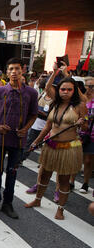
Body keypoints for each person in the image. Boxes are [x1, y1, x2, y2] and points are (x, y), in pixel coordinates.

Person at [0, 57, 38, 219]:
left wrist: (26, 129)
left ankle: (8, 203)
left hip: (19, 140)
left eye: (17, 69)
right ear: (7, 72)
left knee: (12, 172)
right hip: (0, 139)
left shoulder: (31, 93)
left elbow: (34, 114)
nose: (14, 72)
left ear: (23, 71)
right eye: (11, 69)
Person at [24, 77, 86, 220]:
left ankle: (61, 210)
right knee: (44, 174)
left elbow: (86, 127)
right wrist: (35, 141)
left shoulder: (79, 106)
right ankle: (38, 200)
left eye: (69, 89)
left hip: (69, 148)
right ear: (59, 91)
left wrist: (81, 123)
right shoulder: (55, 104)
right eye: (63, 89)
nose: (65, 92)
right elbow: (47, 127)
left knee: (64, 180)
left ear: (74, 91)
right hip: (51, 146)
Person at [79, 76, 94, 194]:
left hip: (92, 135)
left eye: (93, 86)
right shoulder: (82, 99)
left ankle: (85, 183)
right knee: (77, 158)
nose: (91, 88)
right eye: (89, 86)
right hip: (79, 133)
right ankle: (71, 181)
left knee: (88, 160)